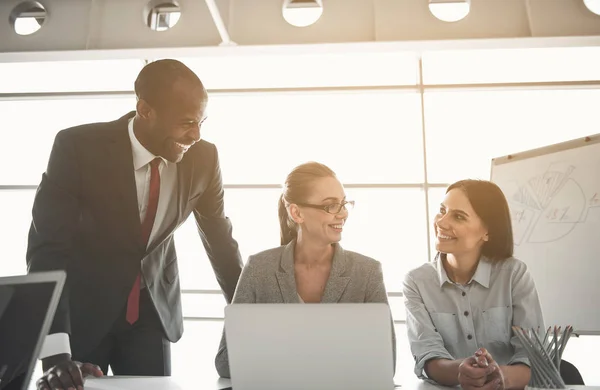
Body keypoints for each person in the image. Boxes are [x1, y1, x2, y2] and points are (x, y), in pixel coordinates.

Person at [26, 59, 243, 389]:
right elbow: (47, 250)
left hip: (151, 315)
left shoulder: (204, 159)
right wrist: (55, 354)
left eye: (201, 122)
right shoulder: (77, 148)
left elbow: (220, 240)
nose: (197, 135)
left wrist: (252, 318)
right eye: (187, 122)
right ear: (145, 110)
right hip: (83, 315)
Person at [214, 161, 397, 378]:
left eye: (344, 203)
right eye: (331, 205)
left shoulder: (367, 272)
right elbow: (226, 362)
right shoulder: (259, 268)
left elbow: (387, 362)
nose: (343, 214)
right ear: (296, 213)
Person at [403, 179, 544, 390]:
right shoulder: (417, 281)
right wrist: (462, 371)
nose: (441, 222)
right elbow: (428, 356)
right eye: (442, 210)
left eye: (458, 216)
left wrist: (500, 377)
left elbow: (532, 354)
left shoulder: (514, 274)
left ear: (487, 232)